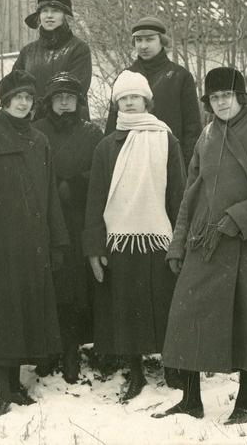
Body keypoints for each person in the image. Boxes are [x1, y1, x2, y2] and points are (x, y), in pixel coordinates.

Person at [153, 67, 247, 424]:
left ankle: (245, 404)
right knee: (188, 315)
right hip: (208, 239)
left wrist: (238, 218)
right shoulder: (205, 137)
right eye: (214, 98)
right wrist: (178, 243)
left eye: (227, 96)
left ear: (242, 97)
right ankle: (190, 401)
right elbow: (191, 193)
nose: (221, 103)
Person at [0, 70, 69, 417]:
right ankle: (3, 392)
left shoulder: (40, 141)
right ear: (4, 101)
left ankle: (17, 389)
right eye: (17, 96)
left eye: (29, 97)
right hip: (0, 247)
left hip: (33, 244)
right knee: (3, 318)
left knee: (25, 316)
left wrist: (58, 241)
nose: (23, 102)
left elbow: (50, 194)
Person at [83, 70, 186, 403]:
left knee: (165, 303)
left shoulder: (166, 140)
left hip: (159, 237)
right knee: (126, 306)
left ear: (146, 101)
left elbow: (179, 195)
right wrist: (95, 247)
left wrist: (180, 242)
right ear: (116, 104)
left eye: (135, 97)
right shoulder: (105, 146)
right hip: (120, 240)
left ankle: (172, 365)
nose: (129, 103)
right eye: (123, 98)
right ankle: (136, 373)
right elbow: (95, 200)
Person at [31, 72, 103, 383]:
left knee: (77, 288)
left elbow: (102, 175)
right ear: (48, 102)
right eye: (58, 97)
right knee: (47, 285)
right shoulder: (35, 132)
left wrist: (75, 184)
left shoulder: (91, 132)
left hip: (79, 219)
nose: (64, 103)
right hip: (43, 221)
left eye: (70, 97)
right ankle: (48, 350)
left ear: (78, 101)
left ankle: (72, 350)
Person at [104, 16, 202, 171]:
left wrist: (186, 168)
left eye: (149, 40)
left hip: (169, 161)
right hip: (130, 162)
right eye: (138, 40)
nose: (143, 46)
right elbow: (112, 125)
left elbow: (192, 128)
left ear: (161, 41)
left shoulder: (180, 76)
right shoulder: (125, 77)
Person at [12, 0, 92, 101]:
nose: (49, 15)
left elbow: (74, 91)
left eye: (55, 10)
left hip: (68, 117)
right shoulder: (27, 52)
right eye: (44, 10)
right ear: (39, 16)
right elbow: (14, 89)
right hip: (33, 117)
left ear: (65, 16)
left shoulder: (78, 49)